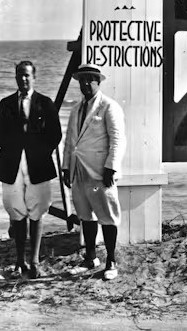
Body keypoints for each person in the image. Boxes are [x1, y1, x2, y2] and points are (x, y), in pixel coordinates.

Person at [0, 61, 62, 279]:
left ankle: (33, 261)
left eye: (26, 75)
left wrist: (37, 151)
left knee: (37, 211)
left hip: (38, 164)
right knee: (17, 212)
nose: (23, 79)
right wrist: (14, 147)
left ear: (34, 77)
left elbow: (55, 135)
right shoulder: (5, 104)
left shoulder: (45, 103)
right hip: (12, 165)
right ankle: (19, 260)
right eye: (19, 75)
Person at [62, 64, 126, 281]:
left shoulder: (109, 106)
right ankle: (90, 258)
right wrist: (65, 167)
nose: (86, 83)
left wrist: (111, 166)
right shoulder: (76, 110)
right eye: (82, 80)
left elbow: (118, 140)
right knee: (85, 215)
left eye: (90, 79)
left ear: (99, 81)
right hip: (78, 171)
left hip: (100, 172)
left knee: (107, 216)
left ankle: (111, 260)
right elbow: (70, 141)